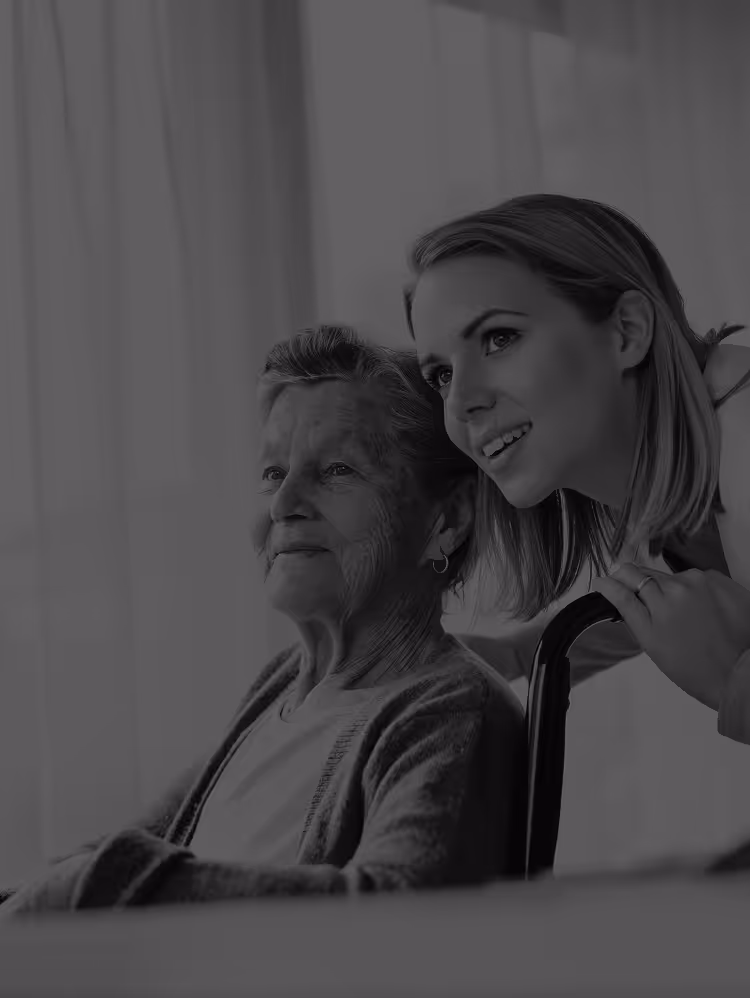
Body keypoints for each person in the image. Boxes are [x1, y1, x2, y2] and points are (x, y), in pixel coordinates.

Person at [1, 325, 527, 915]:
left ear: (449, 518)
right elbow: (116, 858)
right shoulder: (280, 689)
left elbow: (395, 914)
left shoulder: (449, 712)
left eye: (335, 471)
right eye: (274, 474)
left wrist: (99, 888)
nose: (283, 505)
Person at [405, 193, 750, 744]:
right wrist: (514, 654)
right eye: (441, 374)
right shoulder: (666, 482)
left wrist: (733, 687)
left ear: (627, 332)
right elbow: (661, 600)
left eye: (499, 338)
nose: (461, 400)